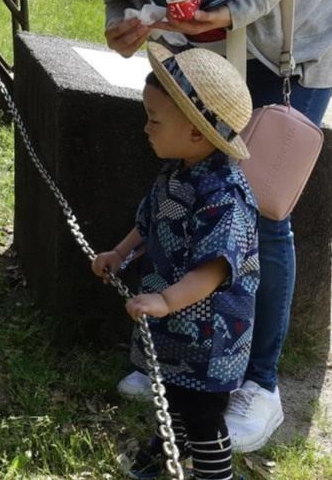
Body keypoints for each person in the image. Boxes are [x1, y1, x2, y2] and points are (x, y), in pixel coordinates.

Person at [12, 0, 332, 452]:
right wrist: (122, 26)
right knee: (187, 191)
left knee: (257, 210)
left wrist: (233, 10)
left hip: (292, 43)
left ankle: (257, 383)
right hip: (209, 55)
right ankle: (181, 357)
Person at [93, 43, 259, 480]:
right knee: (172, 392)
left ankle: (214, 473)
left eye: (154, 119)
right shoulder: (176, 172)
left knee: (204, 413)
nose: (145, 128)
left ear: (196, 133)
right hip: (172, 323)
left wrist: (166, 301)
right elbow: (148, 223)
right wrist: (120, 253)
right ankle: (170, 444)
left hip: (211, 337)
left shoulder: (224, 196)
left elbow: (213, 269)